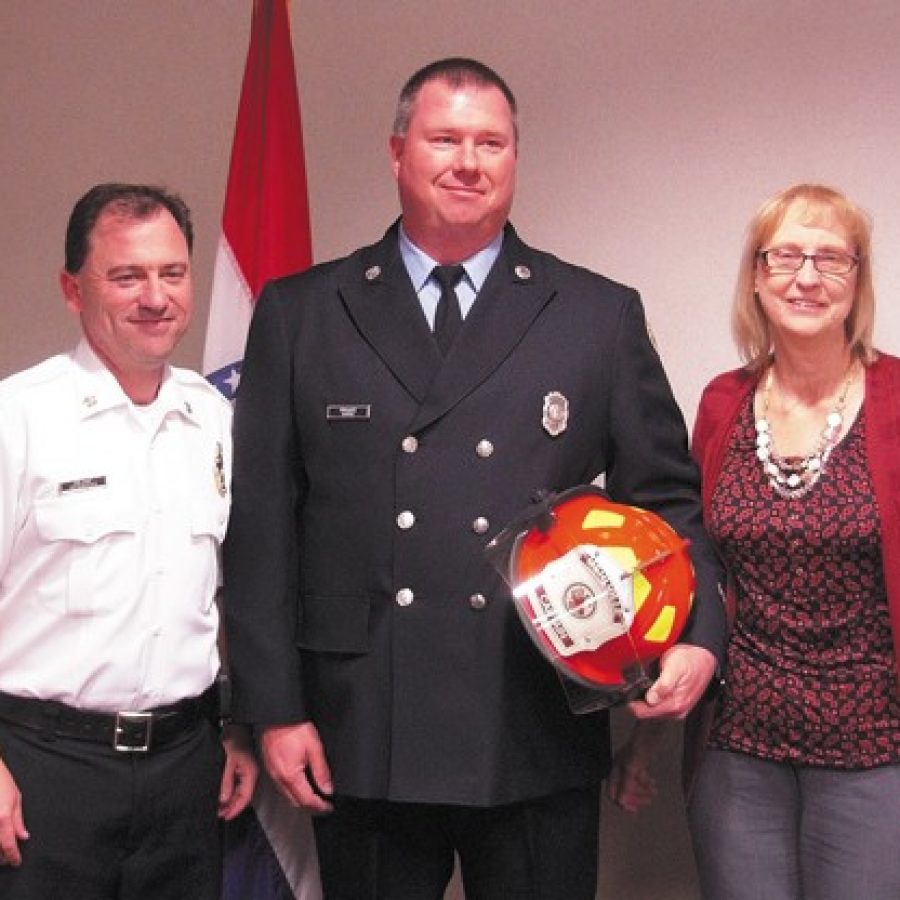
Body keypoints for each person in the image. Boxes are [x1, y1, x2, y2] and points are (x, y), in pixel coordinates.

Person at [224, 58, 726, 899]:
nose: (469, 161)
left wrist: (699, 635)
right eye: (444, 138)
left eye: (490, 142)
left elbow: (668, 503)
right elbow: (266, 527)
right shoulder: (304, 311)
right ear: (396, 153)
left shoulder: (595, 315)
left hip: (530, 718)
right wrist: (274, 707)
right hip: (364, 721)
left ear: (514, 159)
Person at [613, 183, 900, 899]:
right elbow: (685, 567)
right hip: (739, 750)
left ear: (858, 281)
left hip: (874, 751)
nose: (807, 278)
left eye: (832, 259)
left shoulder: (896, 399)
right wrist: (651, 737)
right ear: (756, 276)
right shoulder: (723, 402)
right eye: (787, 257)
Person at [0, 183, 258, 898]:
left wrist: (236, 726)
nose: (156, 297)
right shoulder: (18, 419)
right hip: (44, 770)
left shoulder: (214, 419)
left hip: (185, 772)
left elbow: (226, 591)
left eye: (172, 273)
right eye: (127, 276)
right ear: (72, 289)